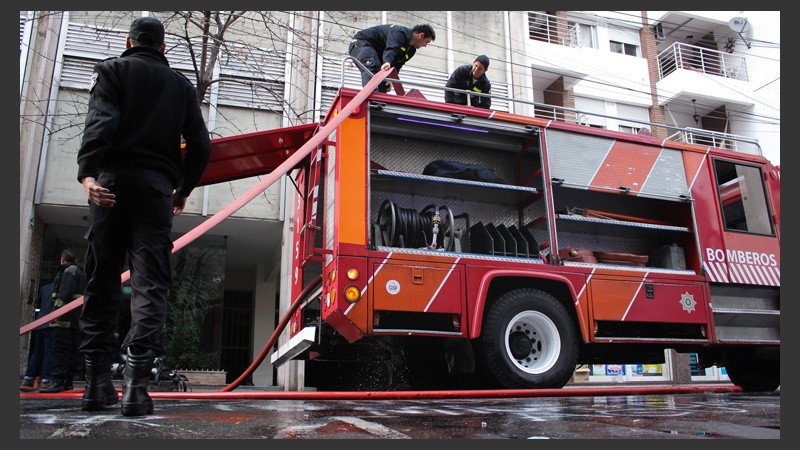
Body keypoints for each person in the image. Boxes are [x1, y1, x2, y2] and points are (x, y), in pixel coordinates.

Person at [75, 16, 211, 416]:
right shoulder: (180, 86)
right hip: (155, 191)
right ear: (164, 48)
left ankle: (96, 387)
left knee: (101, 281)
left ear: (129, 41)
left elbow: (101, 123)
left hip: (110, 185)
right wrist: (183, 190)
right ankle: (136, 389)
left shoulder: (113, 71)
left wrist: (87, 174)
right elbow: (201, 145)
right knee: (151, 284)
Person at [39, 250, 86, 394]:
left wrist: (56, 312)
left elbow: (65, 293)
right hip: (75, 320)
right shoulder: (79, 272)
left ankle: (58, 381)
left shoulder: (69, 271)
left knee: (60, 351)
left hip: (64, 319)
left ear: (61, 260)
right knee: (71, 350)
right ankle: (67, 382)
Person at [348, 24, 436, 93]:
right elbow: (392, 47)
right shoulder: (400, 32)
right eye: (426, 42)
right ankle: (371, 96)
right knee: (372, 67)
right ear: (421, 35)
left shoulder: (411, 51)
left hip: (377, 53)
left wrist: (390, 78)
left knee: (382, 79)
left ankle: (379, 101)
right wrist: (387, 61)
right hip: (361, 44)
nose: (425, 46)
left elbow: (397, 65)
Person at [20, 282, 55, 391]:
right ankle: (46, 379)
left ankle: (28, 378)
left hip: (39, 322)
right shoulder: (60, 288)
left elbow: (38, 305)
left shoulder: (44, 288)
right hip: (51, 322)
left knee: (37, 351)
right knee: (49, 352)